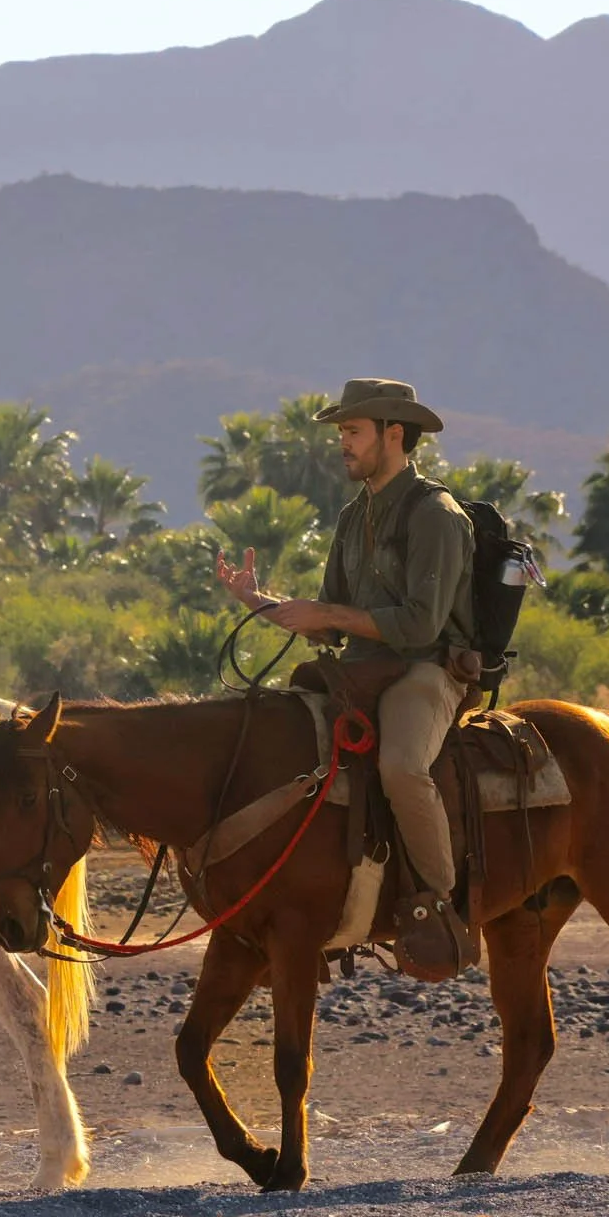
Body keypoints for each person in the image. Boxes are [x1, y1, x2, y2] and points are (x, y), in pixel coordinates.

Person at [212, 377, 477, 950]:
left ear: (394, 434)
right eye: (343, 434)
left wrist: (327, 613)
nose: (344, 444)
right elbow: (329, 619)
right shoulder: (353, 518)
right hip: (359, 668)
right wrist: (259, 603)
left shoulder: (436, 514)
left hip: (425, 670)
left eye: (353, 432)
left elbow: (419, 626)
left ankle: (442, 906)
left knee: (402, 768)